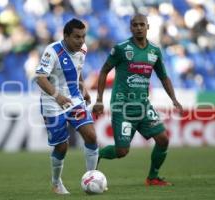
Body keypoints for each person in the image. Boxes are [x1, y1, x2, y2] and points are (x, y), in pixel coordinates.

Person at [93, 14, 183, 186]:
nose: (139, 28)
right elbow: (104, 71)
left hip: (143, 105)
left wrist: (174, 99)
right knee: (122, 151)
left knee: (163, 139)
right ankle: (97, 154)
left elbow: (164, 77)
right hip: (122, 107)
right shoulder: (121, 49)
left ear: (148, 27)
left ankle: (152, 177)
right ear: (130, 28)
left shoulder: (154, 51)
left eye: (142, 24)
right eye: (135, 25)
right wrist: (99, 99)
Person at [35, 18, 99, 195]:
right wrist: (57, 96)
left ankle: (91, 178)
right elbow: (40, 78)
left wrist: (83, 88)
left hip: (74, 100)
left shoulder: (83, 50)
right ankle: (56, 183)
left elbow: (77, 71)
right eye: (77, 37)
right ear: (66, 36)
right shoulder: (52, 51)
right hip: (52, 101)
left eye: (83, 36)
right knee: (62, 146)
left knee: (91, 136)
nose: (81, 41)